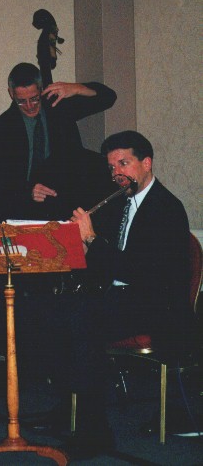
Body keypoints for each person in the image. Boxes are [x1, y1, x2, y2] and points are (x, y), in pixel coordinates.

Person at [46, 130, 192, 459]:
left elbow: (139, 272)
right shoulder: (123, 205)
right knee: (56, 310)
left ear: (146, 163)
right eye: (112, 167)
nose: (117, 173)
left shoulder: (166, 208)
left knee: (84, 319)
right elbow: (110, 267)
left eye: (124, 163)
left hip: (158, 305)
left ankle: (94, 432)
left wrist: (93, 239)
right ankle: (71, 407)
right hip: (128, 299)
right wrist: (80, 245)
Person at [0, 62, 117, 220]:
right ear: (11, 94)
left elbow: (109, 98)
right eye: (21, 101)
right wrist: (29, 191)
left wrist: (76, 88)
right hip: (25, 208)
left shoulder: (58, 107)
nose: (29, 106)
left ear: (41, 90)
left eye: (34, 99)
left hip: (67, 199)